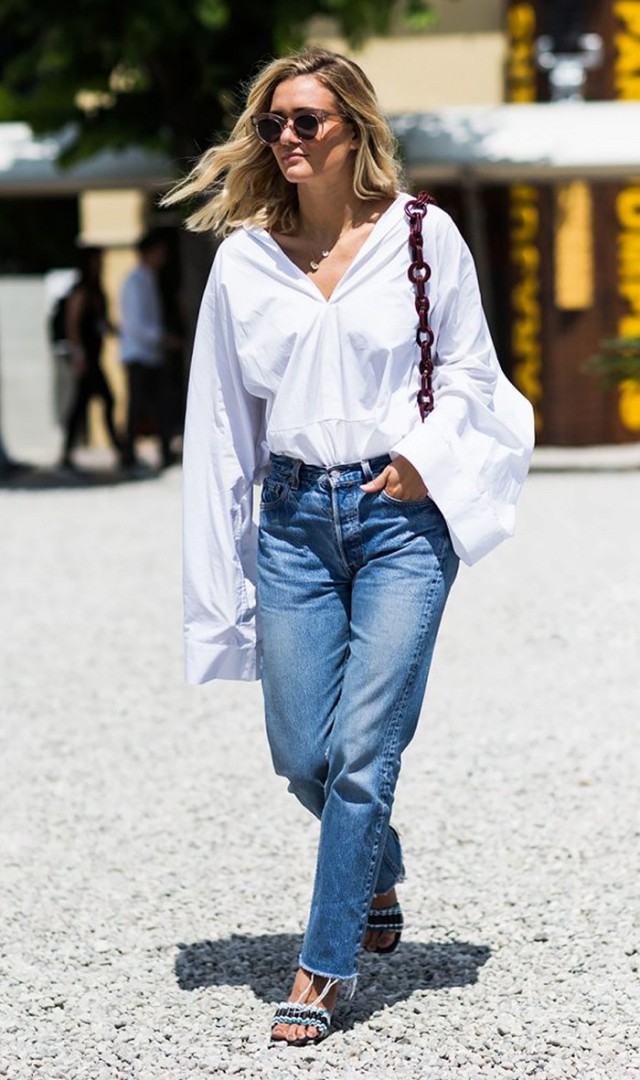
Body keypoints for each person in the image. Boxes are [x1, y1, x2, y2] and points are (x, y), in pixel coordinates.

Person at [167, 46, 534, 1046]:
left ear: (354, 129)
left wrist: (425, 458)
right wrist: (220, 580)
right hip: (292, 522)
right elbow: (221, 425)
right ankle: (378, 865)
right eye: (274, 121)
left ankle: (324, 967)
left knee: (365, 751)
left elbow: (471, 372)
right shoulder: (244, 260)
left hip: (401, 519)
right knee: (303, 752)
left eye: (307, 120)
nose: (286, 136)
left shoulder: (422, 235)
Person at [119, 231, 180, 469]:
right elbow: (136, 323)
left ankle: (161, 450)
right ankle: (129, 454)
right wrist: (162, 338)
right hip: (139, 353)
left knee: (159, 405)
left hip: (151, 354)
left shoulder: (150, 279)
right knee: (138, 407)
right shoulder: (135, 281)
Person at [59, 247, 121, 470]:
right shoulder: (81, 291)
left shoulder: (97, 290)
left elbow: (102, 322)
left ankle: (116, 448)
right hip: (86, 359)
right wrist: (79, 355)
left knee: (92, 403)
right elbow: (72, 325)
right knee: (90, 404)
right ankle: (118, 449)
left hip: (95, 357)